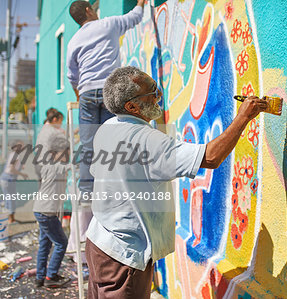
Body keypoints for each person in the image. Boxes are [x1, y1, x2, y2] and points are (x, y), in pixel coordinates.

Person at [85, 66, 268, 298]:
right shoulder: (145, 141)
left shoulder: (108, 128)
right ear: (131, 106)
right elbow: (210, 157)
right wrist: (243, 117)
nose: (159, 95)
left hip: (99, 242)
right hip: (124, 257)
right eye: (152, 92)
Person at [67, 0, 145, 199]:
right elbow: (134, 18)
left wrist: (80, 94)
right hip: (109, 90)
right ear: (88, 10)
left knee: (88, 144)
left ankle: (87, 191)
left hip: (86, 94)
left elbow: (72, 76)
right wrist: (140, 3)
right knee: (111, 140)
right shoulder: (108, 24)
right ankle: (114, 186)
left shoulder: (73, 41)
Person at [32, 136, 71, 288]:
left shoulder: (49, 164)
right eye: (65, 153)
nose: (67, 156)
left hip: (41, 210)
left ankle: (40, 277)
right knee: (62, 243)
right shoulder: (55, 165)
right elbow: (72, 166)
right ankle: (51, 275)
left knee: (45, 245)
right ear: (56, 153)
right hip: (47, 212)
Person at [0, 140, 29, 223]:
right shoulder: (15, 155)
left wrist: (20, 167)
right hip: (8, 179)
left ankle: (8, 218)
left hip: (6, 179)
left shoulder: (13, 155)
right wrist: (22, 174)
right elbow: (11, 169)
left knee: (8, 198)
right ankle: (11, 219)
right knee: (11, 199)